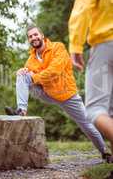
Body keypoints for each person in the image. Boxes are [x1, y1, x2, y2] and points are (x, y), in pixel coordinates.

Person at [6, 25, 112, 162]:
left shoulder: (58, 48)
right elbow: (26, 77)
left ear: (42, 36)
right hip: (47, 93)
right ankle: (21, 110)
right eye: (30, 36)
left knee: (87, 124)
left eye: (35, 35)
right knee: (23, 75)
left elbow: (54, 71)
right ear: (29, 40)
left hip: (67, 96)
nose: (33, 38)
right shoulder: (31, 59)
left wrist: (34, 77)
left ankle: (105, 152)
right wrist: (22, 72)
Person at [68, 0, 113, 161]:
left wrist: (75, 45)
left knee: (95, 110)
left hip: (106, 43)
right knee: (110, 112)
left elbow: (83, 6)